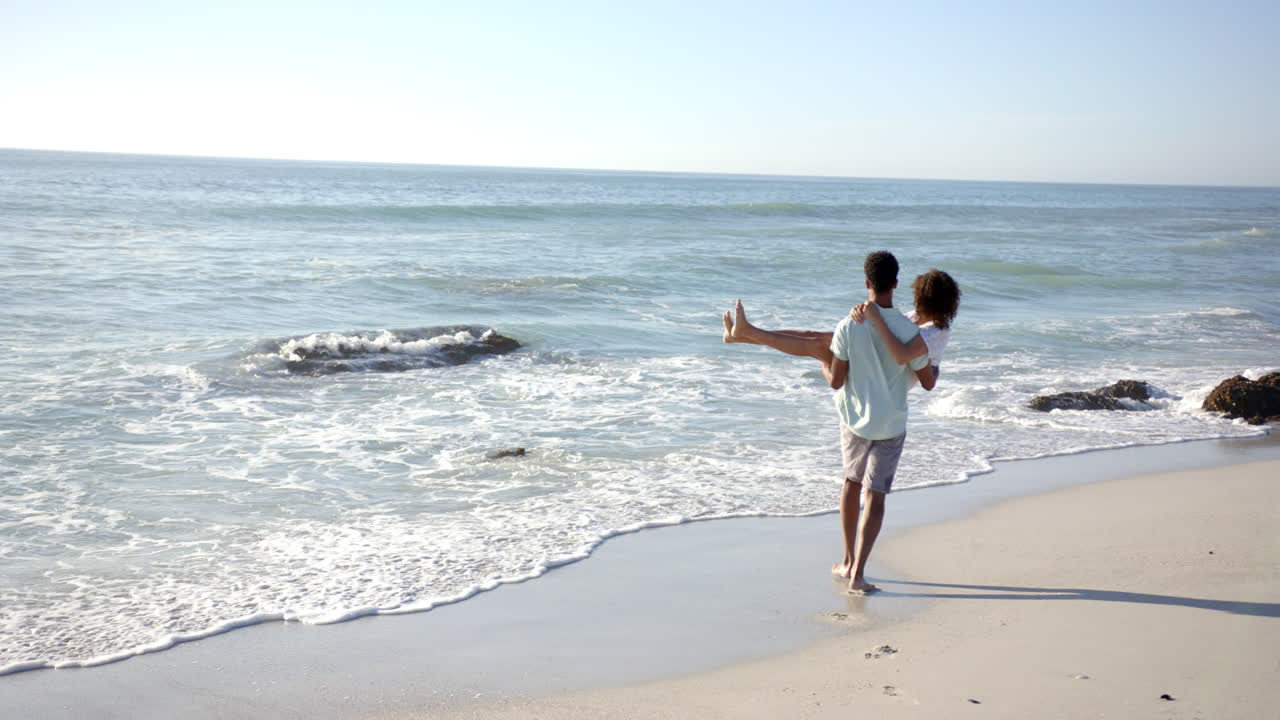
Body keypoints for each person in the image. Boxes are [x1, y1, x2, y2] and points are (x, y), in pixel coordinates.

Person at [722, 253, 959, 594]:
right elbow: (924, 373)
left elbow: (904, 364)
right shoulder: (913, 326)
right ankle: (855, 571)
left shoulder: (924, 334)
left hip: (856, 414)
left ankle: (747, 334)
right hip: (889, 418)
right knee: (874, 495)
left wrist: (873, 319)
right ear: (895, 284)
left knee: (851, 482)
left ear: (868, 284)